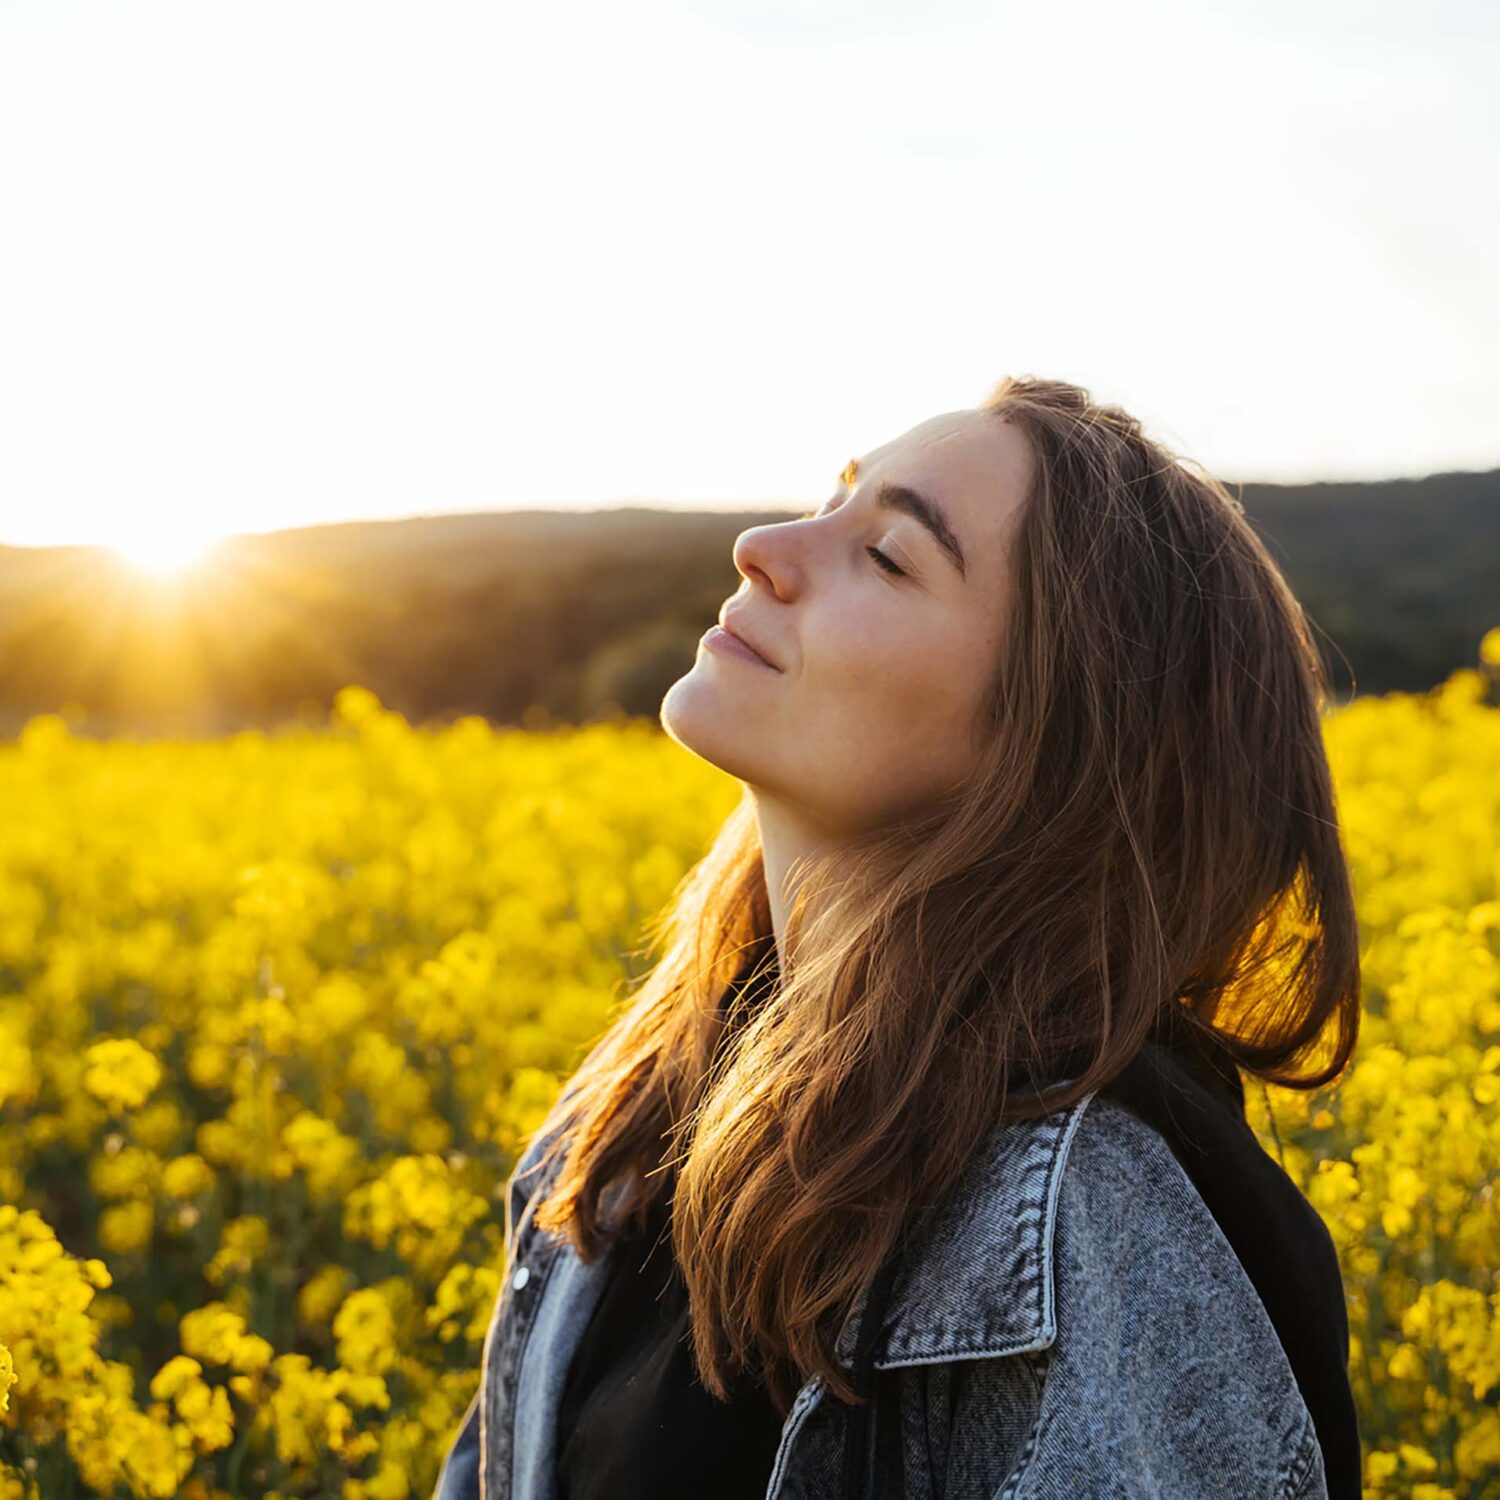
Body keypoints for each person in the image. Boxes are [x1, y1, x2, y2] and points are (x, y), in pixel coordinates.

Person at [434, 375, 1363, 1500]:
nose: (762, 546)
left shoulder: (1095, 1238)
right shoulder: (632, 1120)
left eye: (887, 556)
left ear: (1056, 741)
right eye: (832, 500)